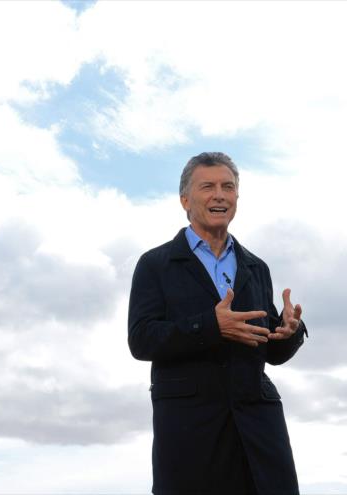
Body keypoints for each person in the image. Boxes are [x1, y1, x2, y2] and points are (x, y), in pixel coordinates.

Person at [127, 152, 307, 495]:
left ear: (237, 197)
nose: (219, 194)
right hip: (192, 428)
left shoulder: (256, 267)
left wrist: (289, 332)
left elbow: (268, 348)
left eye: (228, 186)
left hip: (258, 425)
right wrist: (211, 325)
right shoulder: (155, 264)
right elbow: (141, 339)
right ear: (184, 199)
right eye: (207, 186)